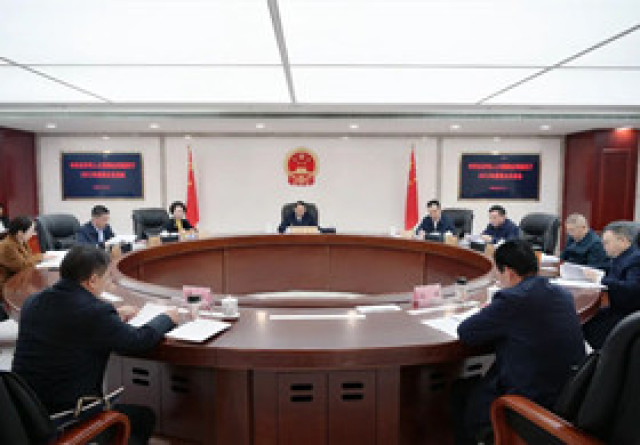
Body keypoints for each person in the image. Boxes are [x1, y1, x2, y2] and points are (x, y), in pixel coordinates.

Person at [12, 244, 179, 444]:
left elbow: (68, 323)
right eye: (107, 278)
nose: (109, 284)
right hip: (66, 418)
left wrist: (114, 316)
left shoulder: (33, 302)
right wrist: (167, 318)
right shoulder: (94, 313)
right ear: (92, 280)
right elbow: (138, 341)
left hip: (26, 413)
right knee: (143, 418)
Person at [453, 240, 585, 444]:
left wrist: (490, 313)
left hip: (529, 403)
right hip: (568, 397)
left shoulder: (512, 299)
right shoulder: (563, 294)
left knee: (460, 391)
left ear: (508, 272)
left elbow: (467, 332)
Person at [582, 222, 640, 349]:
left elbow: (632, 289)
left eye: (607, 243)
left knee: (586, 324)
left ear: (623, 241)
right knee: (585, 320)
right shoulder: (623, 257)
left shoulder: (635, 259)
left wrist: (601, 279)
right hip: (615, 307)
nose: (603, 247)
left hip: (628, 315)